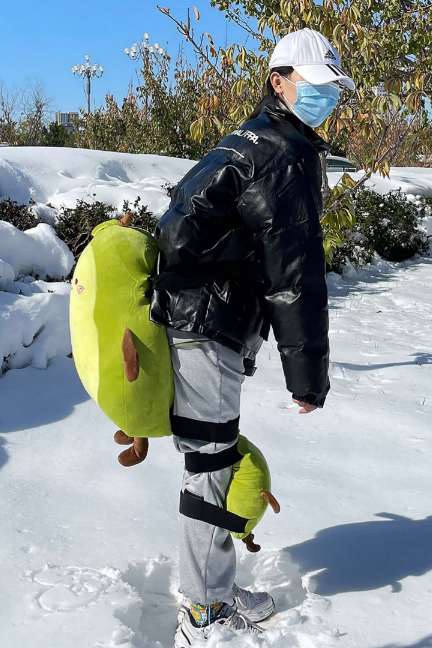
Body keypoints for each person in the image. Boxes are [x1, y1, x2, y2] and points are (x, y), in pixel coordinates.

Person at [148, 27, 355, 646]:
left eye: (332, 91)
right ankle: (206, 608)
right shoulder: (281, 153)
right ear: (279, 81)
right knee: (211, 464)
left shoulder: (248, 140)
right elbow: (293, 276)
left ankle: (210, 587)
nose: (324, 99)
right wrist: (308, 378)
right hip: (208, 326)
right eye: (313, 87)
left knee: (211, 459)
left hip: (196, 319)